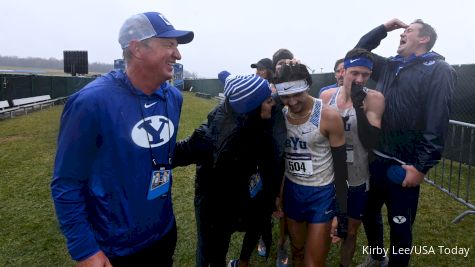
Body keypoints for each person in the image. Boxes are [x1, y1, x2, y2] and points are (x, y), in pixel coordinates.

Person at [50, 11, 193, 267]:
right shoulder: (90, 103)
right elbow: (67, 182)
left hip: (163, 234)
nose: (178, 54)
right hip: (115, 247)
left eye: (177, 46)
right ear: (138, 48)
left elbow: (158, 156)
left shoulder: (174, 98)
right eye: (169, 45)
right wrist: (84, 249)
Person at [354, 19, 456, 267]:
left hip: (405, 164)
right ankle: (377, 257)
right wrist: (383, 29)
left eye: (408, 30)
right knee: (369, 214)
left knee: (400, 224)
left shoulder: (439, 69)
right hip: (376, 158)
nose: (402, 33)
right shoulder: (390, 66)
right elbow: (358, 52)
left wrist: (421, 167)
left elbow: (437, 120)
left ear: (424, 39)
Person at [173, 72, 286, 267]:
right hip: (214, 205)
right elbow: (176, 153)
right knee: (211, 253)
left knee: (252, 224)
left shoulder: (258, 120)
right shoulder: (211, 136)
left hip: (242, 194)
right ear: (253, 107)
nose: (273, 104)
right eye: (268, 101)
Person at [274, 62, 348, 267]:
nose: (292, 101)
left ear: (307, 86)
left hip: (321, 193)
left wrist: (341, 213)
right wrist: (277, 193)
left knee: (313, 262)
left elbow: (342, 169)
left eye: (297, 94)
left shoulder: (329, 116)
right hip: (292, 190)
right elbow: (279, 160)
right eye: (286, 96)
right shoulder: (280, 115)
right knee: (297, 252)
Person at [320, 48, 385, 267]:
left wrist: (358, 106)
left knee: (351, 230)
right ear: (344, 71)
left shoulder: (374, 99)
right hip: (328, 174)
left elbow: (370, 141)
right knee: (322, 225)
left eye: (365, 75)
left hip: (357, 175)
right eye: (354, 73)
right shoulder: (327, 97)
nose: (359, 79)